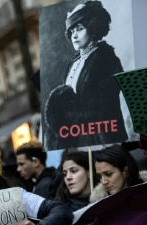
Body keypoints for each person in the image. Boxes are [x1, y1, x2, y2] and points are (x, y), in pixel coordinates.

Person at [43, 0, 127, 149]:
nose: (74, 35)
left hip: (103, 139)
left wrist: (65, 117)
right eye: (72, 31)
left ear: (93, 28)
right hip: (79, 140)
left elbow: (106, 110)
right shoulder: (72, 64)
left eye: (80, 29)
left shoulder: (106, 59)